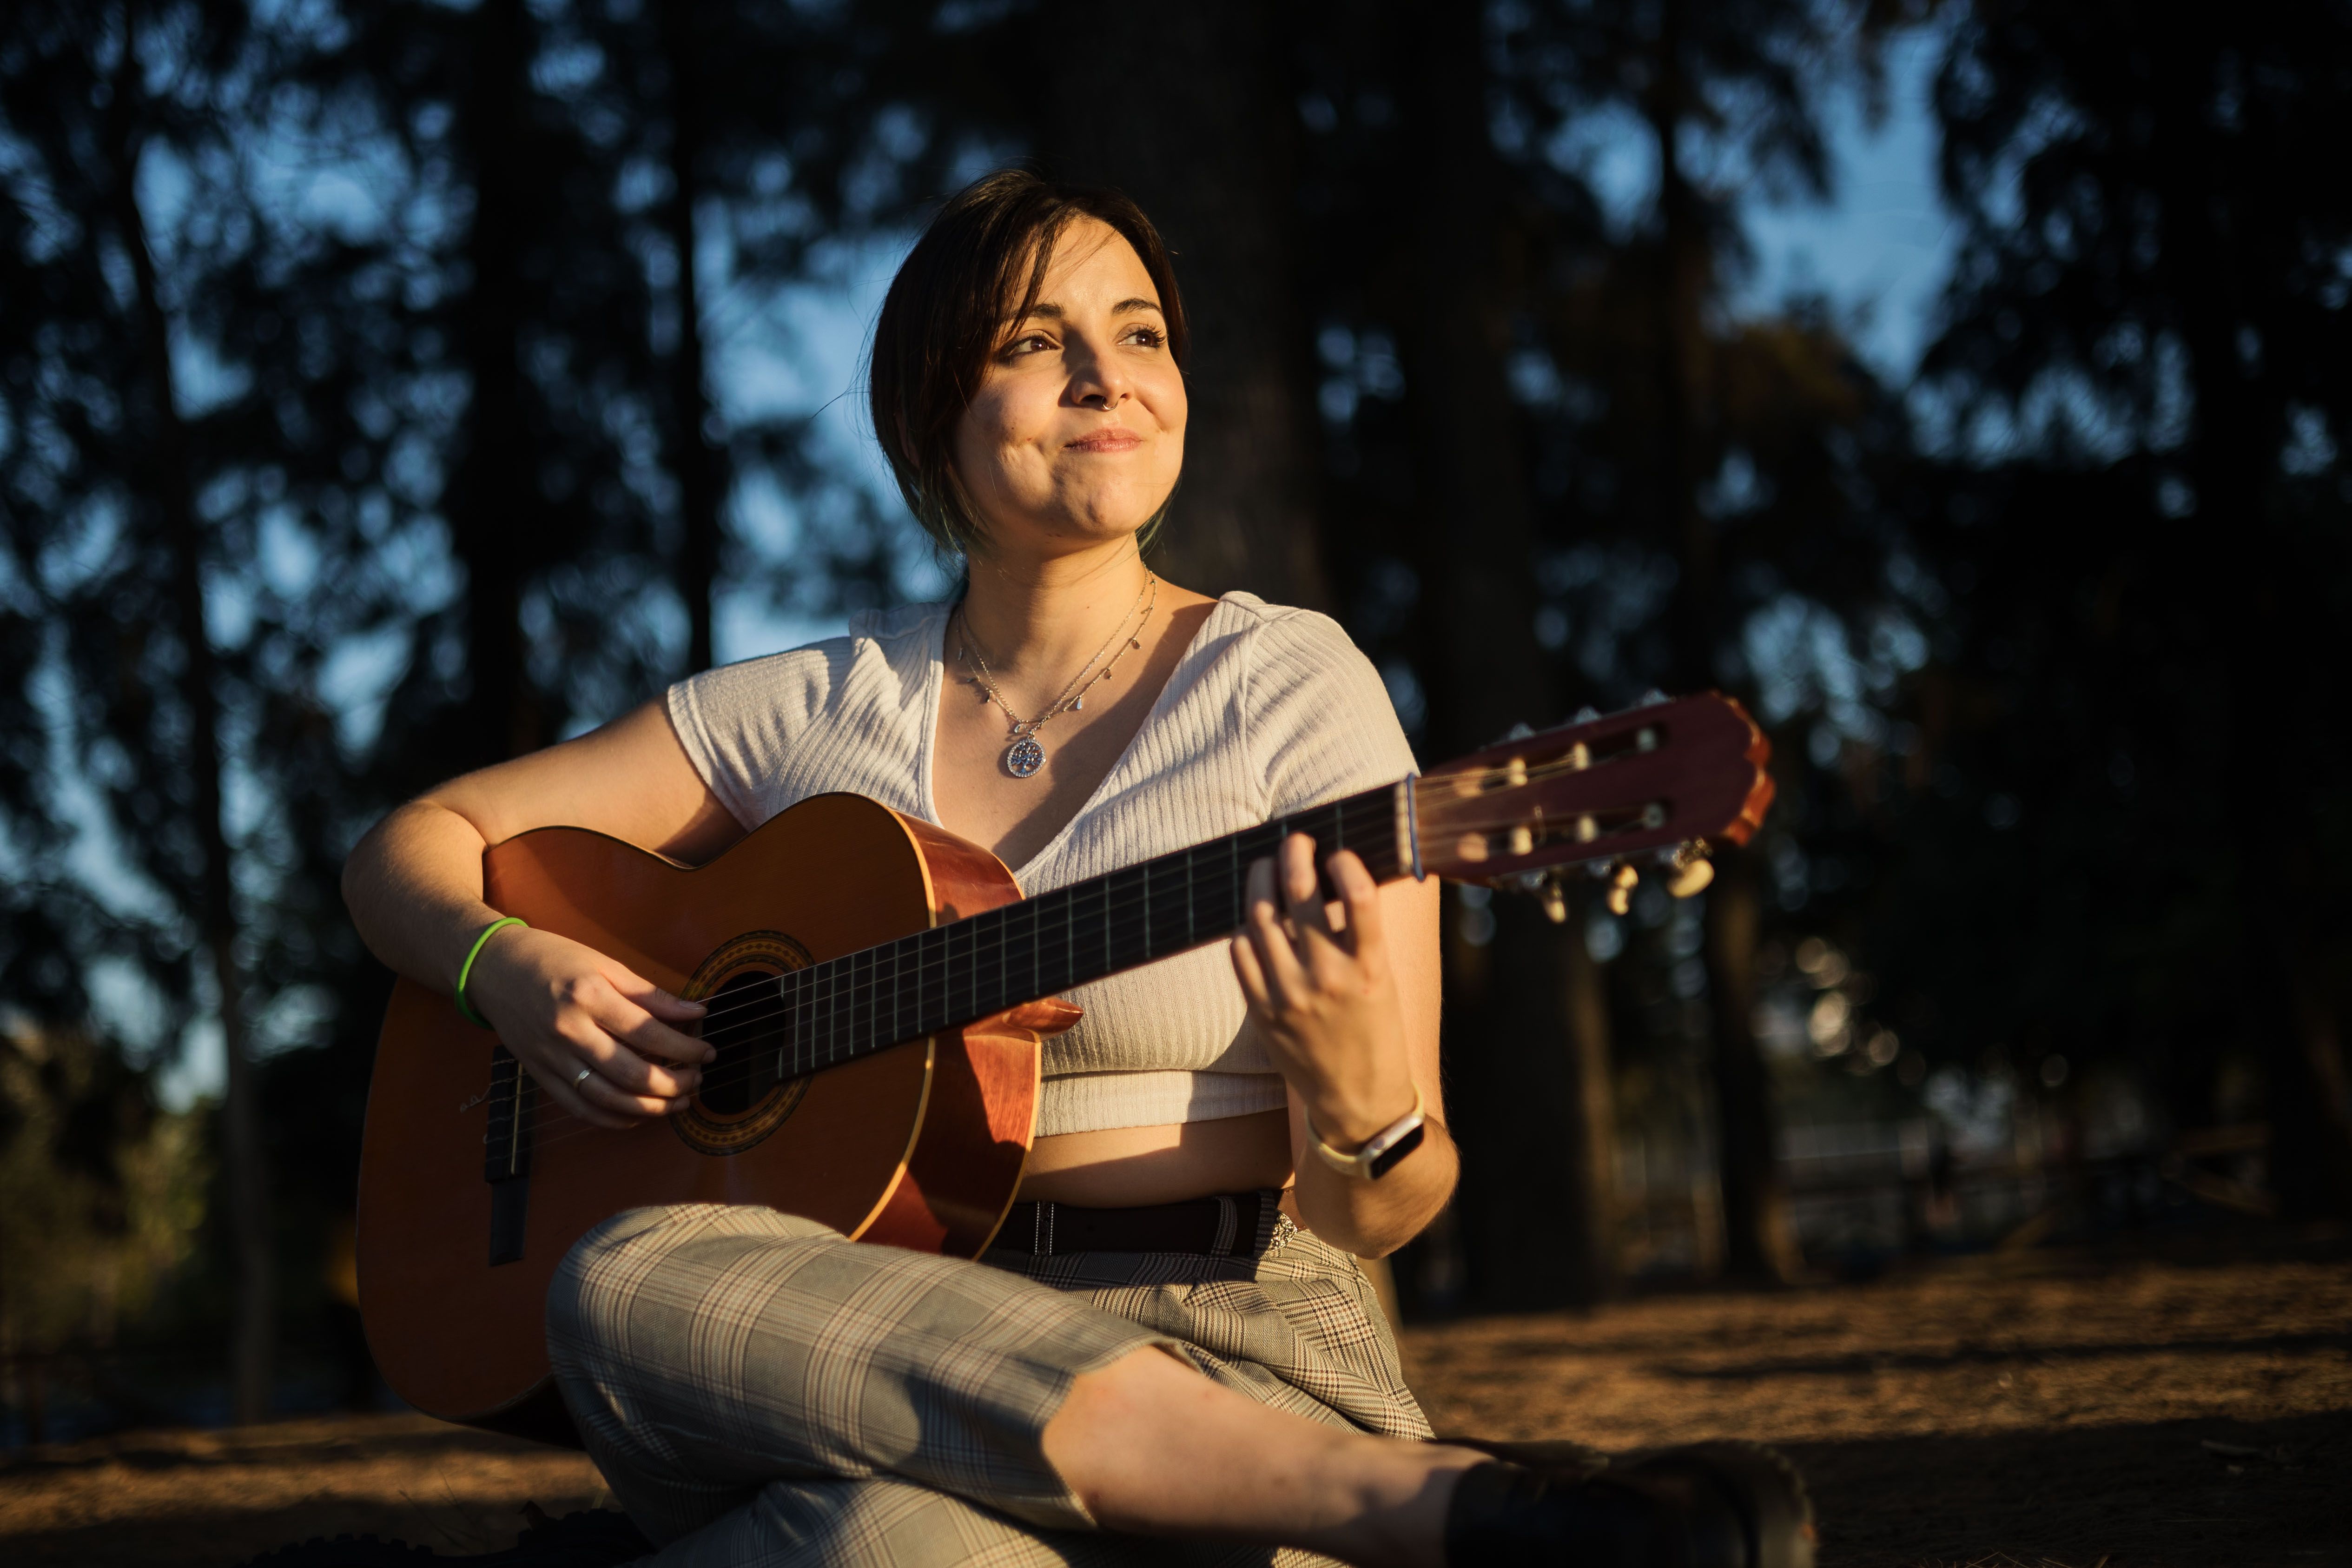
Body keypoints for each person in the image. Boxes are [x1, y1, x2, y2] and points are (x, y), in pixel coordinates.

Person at [343, 170, 1809, 1568]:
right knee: (621, 1278)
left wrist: (1361, 1102)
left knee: (857, 1550)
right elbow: (405, 851)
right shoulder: (811, 708)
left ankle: (1375, 1494)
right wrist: (504, 964)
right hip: (865, 1355)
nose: (1110, 379)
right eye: (1040, 344)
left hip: (1243, 1343)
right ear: (933, 408)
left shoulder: (1286, 685)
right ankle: (1414, 1516)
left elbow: (1387, 1209)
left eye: (1142, 335)